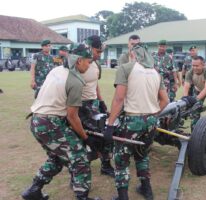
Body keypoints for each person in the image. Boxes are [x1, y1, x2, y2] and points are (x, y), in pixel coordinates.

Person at [22, 44, 102, 200]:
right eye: (88, 61)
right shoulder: (76, 80)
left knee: (57, 157)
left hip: (36, 120)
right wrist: (86, 138)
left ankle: (33, 191)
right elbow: (72, 116)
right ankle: (82, 197)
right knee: (80, 158)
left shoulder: (56, 70)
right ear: (79, 61)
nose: (90, 65)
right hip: (51, 123)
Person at [104, 44, 169, 200]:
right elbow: (165, 100)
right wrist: (151, 115)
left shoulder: (125, 68)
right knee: (142, 154)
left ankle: (123, 196)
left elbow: (119, 99)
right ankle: (147, 190)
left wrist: (110, 124)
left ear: (133, 54)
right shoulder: (155, 72)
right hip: (151, 121)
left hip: (132, 120)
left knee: (121, 159)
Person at [79, 35, 114, 177]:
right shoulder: (79, 63)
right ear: (89, 48)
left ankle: (105, 165)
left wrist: (101, 102)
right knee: (81, 138)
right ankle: (77, 173)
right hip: (79, 106)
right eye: (97, 52)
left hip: (93, 104)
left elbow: (95, 84)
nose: (99, 55)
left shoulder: (96, 65)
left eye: (101, 52)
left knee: (103, 135)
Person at [183, 56, 206, 130]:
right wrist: (185, 100)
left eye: (197, 66)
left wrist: (196, 99)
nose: (195, 68)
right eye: (193, 65)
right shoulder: (190, 72)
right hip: (198, 89)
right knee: (195, 110)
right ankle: (194, 132)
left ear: (203, 65)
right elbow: (186, 86)